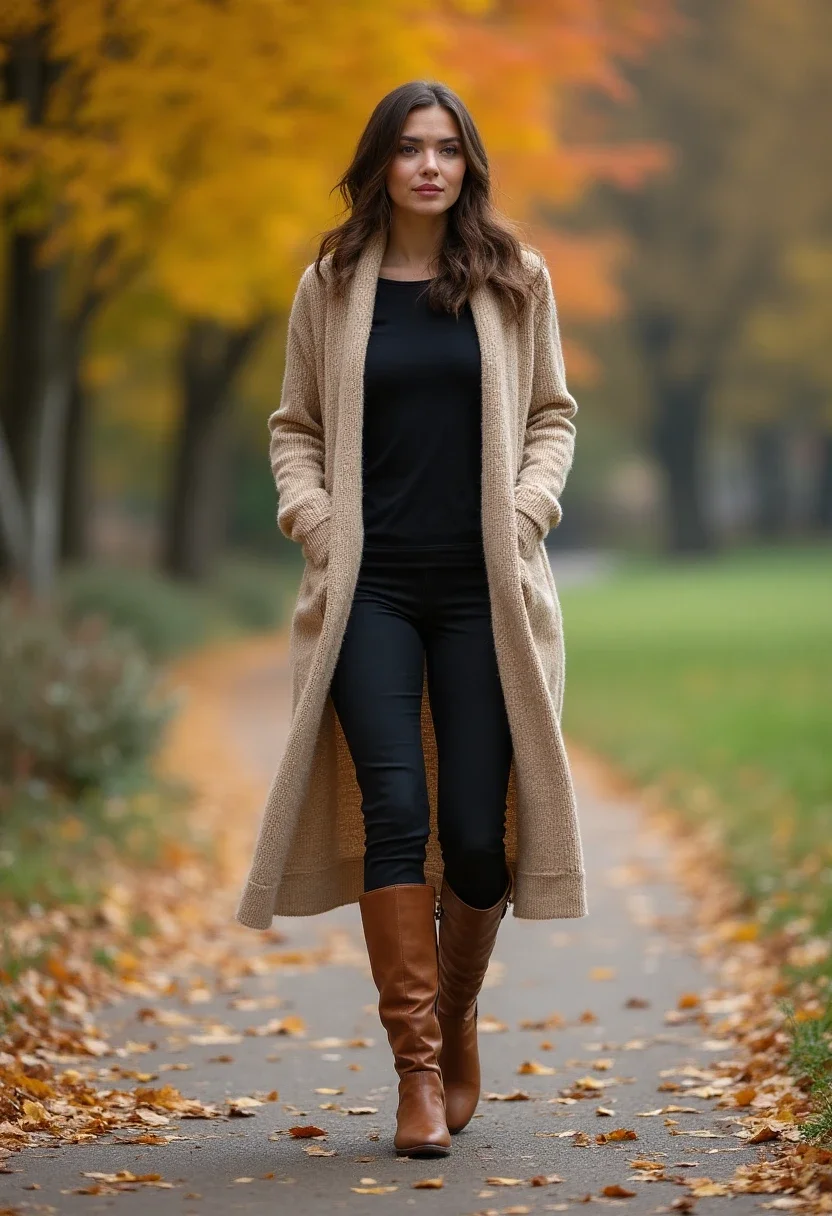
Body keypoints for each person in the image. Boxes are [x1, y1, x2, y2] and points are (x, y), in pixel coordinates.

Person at [236, 79, 587, 1159]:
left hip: (484, 592)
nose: (428, 166)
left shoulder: (512, 278)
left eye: (445, 149)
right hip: (369, 592)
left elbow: (551, 417)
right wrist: (316, 520)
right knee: (396, 812)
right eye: (407, 149)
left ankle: (455, 1004)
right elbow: (294, 426)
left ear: (468, 164)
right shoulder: (330, 283)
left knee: (477, 838)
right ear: (379, 163)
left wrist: (529, 509)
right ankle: (418, 1072)